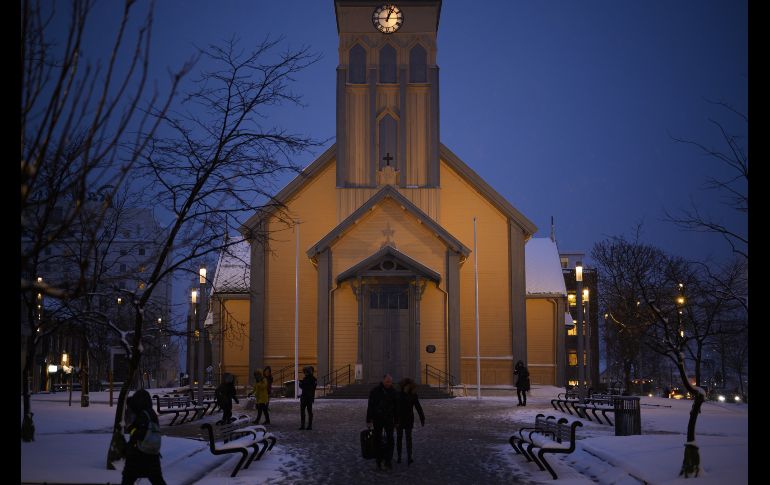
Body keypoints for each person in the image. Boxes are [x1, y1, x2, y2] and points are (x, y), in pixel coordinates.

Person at [122, 389, 166, 485]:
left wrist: (130, 429)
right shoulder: (151, 413)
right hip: (153, 453)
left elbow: (139, 434)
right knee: (157, 479)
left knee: (127, 478)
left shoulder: (142, 415)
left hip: (138, 454)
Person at [366, 374, 398, 470]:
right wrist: (369, 419)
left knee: (390, 440)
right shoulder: (375, 391)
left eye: (390, 382)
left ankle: (388, 460)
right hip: (378, 418)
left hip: (389, 419)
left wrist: (396, 421)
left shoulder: (393, 392)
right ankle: (378, 460)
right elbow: (370, 405)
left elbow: (397, 408)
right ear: (383, 381)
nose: (389, 383)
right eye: (387, 381)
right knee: (377, 439)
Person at [396, 377, 425, 466]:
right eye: (406, 386)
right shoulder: (398, 394)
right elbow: (394, 407)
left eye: (409, 386)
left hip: (408, 419)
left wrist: (422, 418)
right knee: (399, 438)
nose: (407, 387)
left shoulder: (413, 395)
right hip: (399, 419)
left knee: (409, 439)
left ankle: (409, 457)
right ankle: (399, 457)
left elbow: (418, 407)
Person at [298, 366, 317, 430]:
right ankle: (306, 425)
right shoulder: (311, 379)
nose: (305, 373)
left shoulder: (311, 379)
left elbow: (308, 387)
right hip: (307, 397)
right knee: (306, 411)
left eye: (305, 372)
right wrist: (301, 384)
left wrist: (301, 384)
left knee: (307, 411)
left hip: (307, 397)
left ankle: (307, 425)